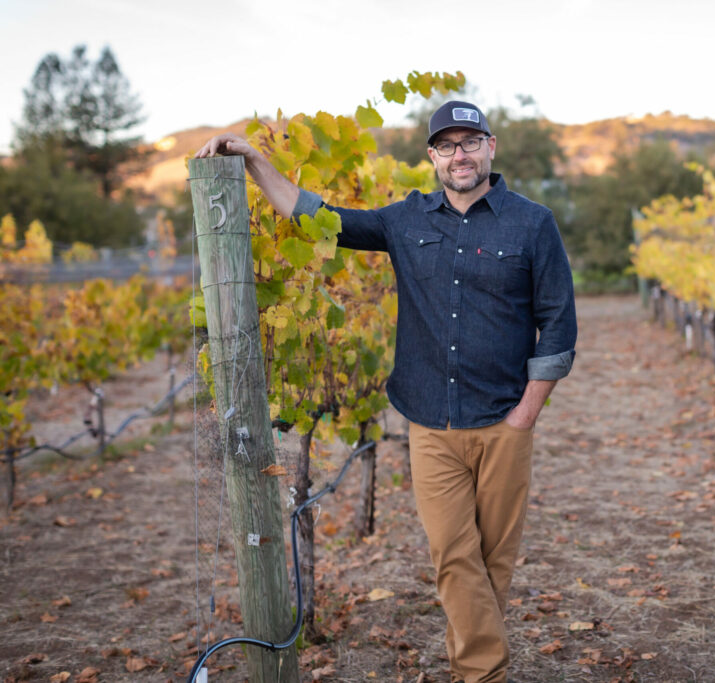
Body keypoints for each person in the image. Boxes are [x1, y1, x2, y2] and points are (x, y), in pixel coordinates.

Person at [195, 100, 577, 683]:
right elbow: (316, 215)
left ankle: (469, 664)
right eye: (447, 145)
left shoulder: (533, 223)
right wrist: (254, 161)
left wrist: (526, 413)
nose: (459, 154)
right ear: (432, 156)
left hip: (505, 421)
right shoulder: (405, 220)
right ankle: (485, 675)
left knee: (491, 563)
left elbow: (559, 324)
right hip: (430, 425)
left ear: (491, 147)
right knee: (454, 556)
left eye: (470, 142)